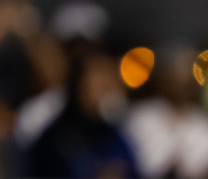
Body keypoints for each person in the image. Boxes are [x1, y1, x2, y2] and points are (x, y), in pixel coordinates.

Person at [26, 46, 139, 178]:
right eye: (100, 82)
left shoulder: (115, 136)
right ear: (78, 85)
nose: (109, 89)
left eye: (111, 81)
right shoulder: (54, 141)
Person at [124, 46, 208, 179]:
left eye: (187, 74)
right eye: (176, 74)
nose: (182, 81)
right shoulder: (142, 116)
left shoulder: (202, 123)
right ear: (164, 77)